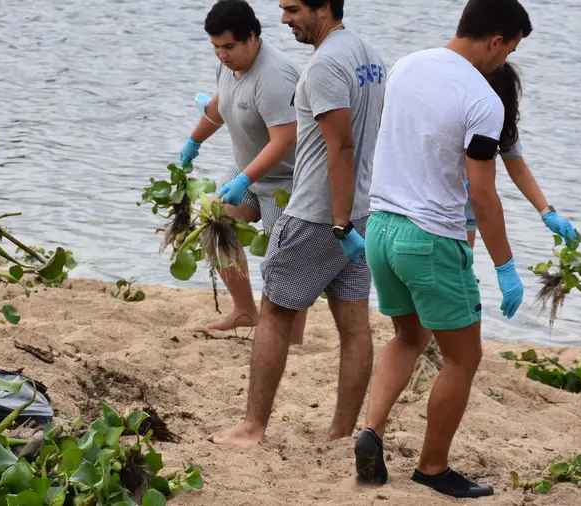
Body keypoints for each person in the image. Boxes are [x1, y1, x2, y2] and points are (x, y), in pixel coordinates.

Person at [355, 0, 532, 498]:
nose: (505, 62)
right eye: (510, 49)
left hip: (381, 229)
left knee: (407, 338)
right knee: (463, 358)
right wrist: (505, 264)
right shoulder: (484, 100)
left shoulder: (408, 64)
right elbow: (482, 194)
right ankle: (432, 469)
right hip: (429, 239)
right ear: (496, 40)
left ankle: (371, 431)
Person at [208, 0, 385, 446]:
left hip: (318, 213)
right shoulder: (371, 55)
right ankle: (340, 432)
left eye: (292, 8)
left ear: (324, 7)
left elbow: (340, 148)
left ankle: (252, 427)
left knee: (274, 315)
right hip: (363, 205)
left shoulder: (324, 66)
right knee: (354, 323)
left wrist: (339, 223)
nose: (284, 19)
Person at [180, 0, 302, 337]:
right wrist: (194, 141)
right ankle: (246, 310)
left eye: (229, 46)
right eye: (216, 47)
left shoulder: (274, 76)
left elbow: (284, 140)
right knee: (216, 229)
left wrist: (245, 178)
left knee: (284, 264)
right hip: (247, 172)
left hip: (288, 181)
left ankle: (291, 338)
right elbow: (221, 105)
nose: (221, 54)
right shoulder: (228, 64)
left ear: (252, 37)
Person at [464, 62, 576, 246]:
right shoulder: (457, 115)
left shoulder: (503, 125)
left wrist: (548, 213)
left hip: (468, 216)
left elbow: (519, 170)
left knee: (461, 269)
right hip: (433, 211)